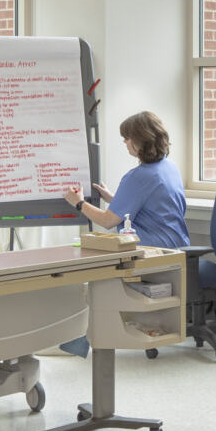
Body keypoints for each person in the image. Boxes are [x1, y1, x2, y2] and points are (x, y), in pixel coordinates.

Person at [58, 111, 187, 356]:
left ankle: (82, 337)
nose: (125, 143)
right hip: (176, 246)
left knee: (93, 268)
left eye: (127, 138)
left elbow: (108, 221)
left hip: (150, 250)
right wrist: (113, 199)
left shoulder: (138, 177)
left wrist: (78, 203)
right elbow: (148, 206)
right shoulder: (167, 167)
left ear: (141, 140)